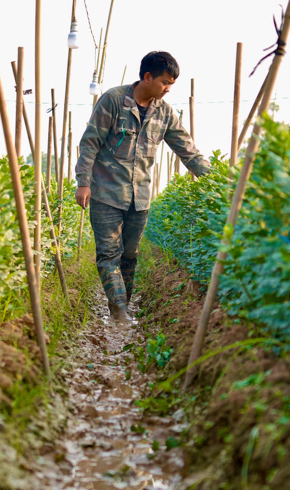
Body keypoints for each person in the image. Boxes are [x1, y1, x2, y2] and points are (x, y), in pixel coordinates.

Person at [74, 51, 210, 321]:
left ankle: (123, 304)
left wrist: (218, 181)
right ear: (147, 77)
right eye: (165, 82)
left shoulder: (165, 113)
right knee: (108, 253)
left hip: (140, 197)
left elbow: (188, 152)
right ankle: (119, 311)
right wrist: (83, 183)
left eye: (172, 83)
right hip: (105, 192)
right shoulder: (113, 100)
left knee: (130, 254)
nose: (168, 88)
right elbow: (89, 142)